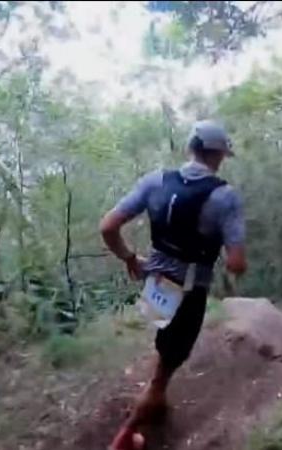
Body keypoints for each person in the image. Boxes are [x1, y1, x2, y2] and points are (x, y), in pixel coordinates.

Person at [99, 120, 247, 450]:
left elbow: (108, 226)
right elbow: (237, 263)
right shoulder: (225, 197)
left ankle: (158, 401)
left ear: (190, 147)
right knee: (168, 361)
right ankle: (126, 436)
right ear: (219, 154)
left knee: (165, 345)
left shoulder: (156, 181)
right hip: (190, 288)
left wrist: (129, 258)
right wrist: (231, 265)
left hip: (156, 280)